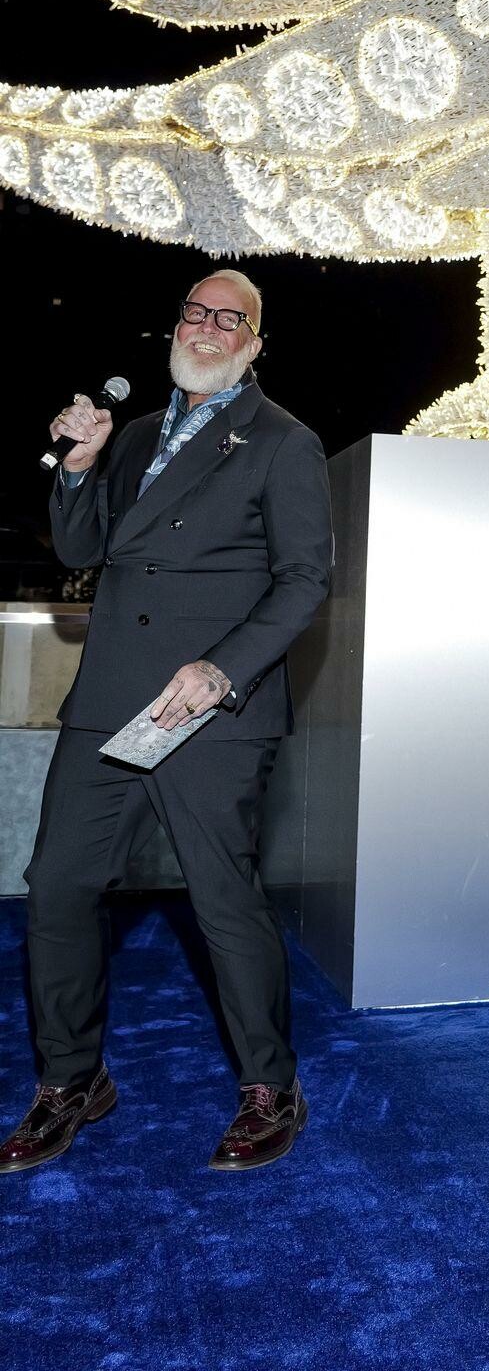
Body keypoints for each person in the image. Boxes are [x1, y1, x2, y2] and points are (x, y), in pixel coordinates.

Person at [0, 269, 333, 1176]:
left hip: (209, 706)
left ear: (254, 344)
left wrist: (222, 668)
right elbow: (81, 550)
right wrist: (79, 467)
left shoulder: (283, 440)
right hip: (112, 697)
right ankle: (71, 1081)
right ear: (176, 326)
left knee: (223, 902)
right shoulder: (138, 432)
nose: (209, 328)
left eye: (232, 319)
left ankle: (271, 1087)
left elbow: (305, 579)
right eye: (196, 312)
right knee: (58, 886)